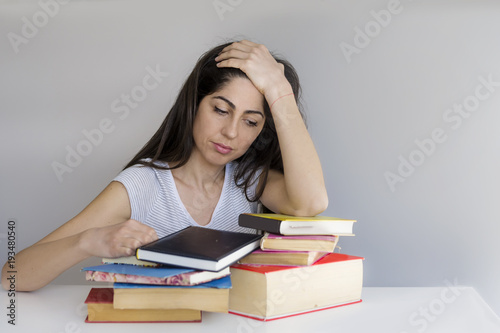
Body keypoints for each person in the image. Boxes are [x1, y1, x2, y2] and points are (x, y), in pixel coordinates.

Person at [1, 40, 328, 292]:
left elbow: (311, 203)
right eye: (220, 109)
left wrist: (279, 90)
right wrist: (89, 241)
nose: (231, 132)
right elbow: (12, 277)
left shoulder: (250, 180)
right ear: (194, 105)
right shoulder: (142, 185)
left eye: (251, 121)